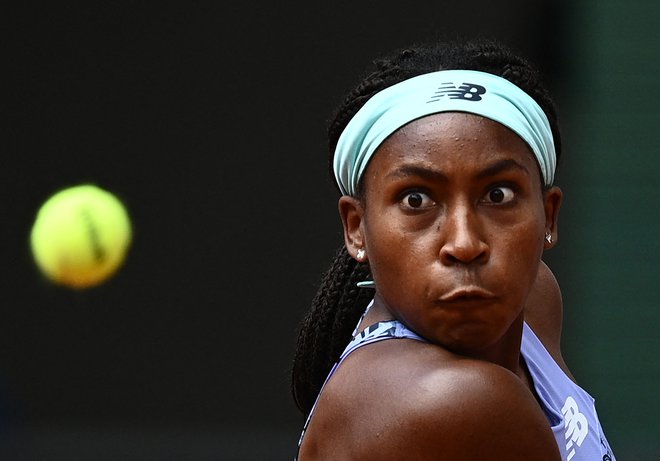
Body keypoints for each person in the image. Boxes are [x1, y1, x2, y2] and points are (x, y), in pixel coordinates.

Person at [291, 38, 616, 460]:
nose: (464, 243)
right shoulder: (454, 403)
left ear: (549, 216)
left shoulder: (534, 305)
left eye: (497, 195)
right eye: (416, 201)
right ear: (356, 229)